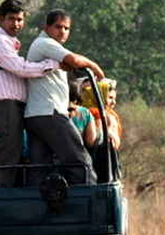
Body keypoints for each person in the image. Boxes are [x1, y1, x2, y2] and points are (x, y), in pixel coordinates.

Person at [0, 0, 61, 188]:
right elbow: (20, 68)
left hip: (14, 108)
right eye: (11, 19)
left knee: (15, 156)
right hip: (5, 108)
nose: (16, 24)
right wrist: (53, 64)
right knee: (5, 158)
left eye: (20, 19)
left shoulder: (9, 42)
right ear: (1, 19)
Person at [25, 10, 103, 185]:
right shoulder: (44, 43)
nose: (62, 32)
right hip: (49, 113)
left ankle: (40, 210)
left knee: (40, 169)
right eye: (58, 26)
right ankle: (91, 203)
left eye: (66, 28)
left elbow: (70, 62)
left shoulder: (49, 47)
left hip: (35, 115)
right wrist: (94, 66)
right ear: (47, 27)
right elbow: (74, 60)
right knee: (81, 162)